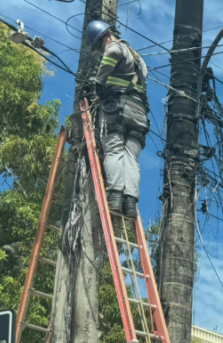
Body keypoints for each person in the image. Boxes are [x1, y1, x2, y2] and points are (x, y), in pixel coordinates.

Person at [85, 21, 150, 219]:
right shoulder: (139, 59)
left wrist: (98, 84)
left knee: (113, 150)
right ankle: (130, 202)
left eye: (99, 45)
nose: (100, 50)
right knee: (131, 157)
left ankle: (114, 197)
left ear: (105, 36)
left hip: (118, 108)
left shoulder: (114, 47)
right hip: (139, 113)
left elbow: (110, 55)